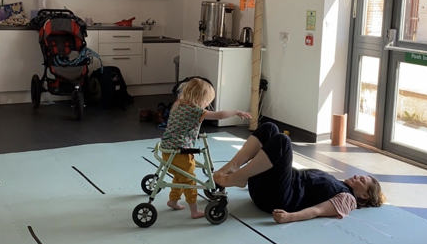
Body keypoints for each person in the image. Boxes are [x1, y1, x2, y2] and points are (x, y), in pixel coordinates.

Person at [214, 122, 384, 223]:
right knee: (270, 128)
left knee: (283, 142)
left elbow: (317, 210)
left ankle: (238, 178)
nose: (357, 177)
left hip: (277, 198)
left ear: (364, 196)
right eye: (360, 175)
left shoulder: (348, 199)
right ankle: (233, 168)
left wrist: (290, 217)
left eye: (362, 181)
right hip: (267, 187)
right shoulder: (338, 183)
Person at [160, 78, 252, 218]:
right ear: (200, 98)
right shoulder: (195, 110)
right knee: (190, 180)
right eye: (207, 101)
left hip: (167, 150)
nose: (207, 105)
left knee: (180, 177)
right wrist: (236, 112)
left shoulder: (178, 104)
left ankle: (173, 200)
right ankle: (194, 210)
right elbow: (219, 115)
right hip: (180, 152)